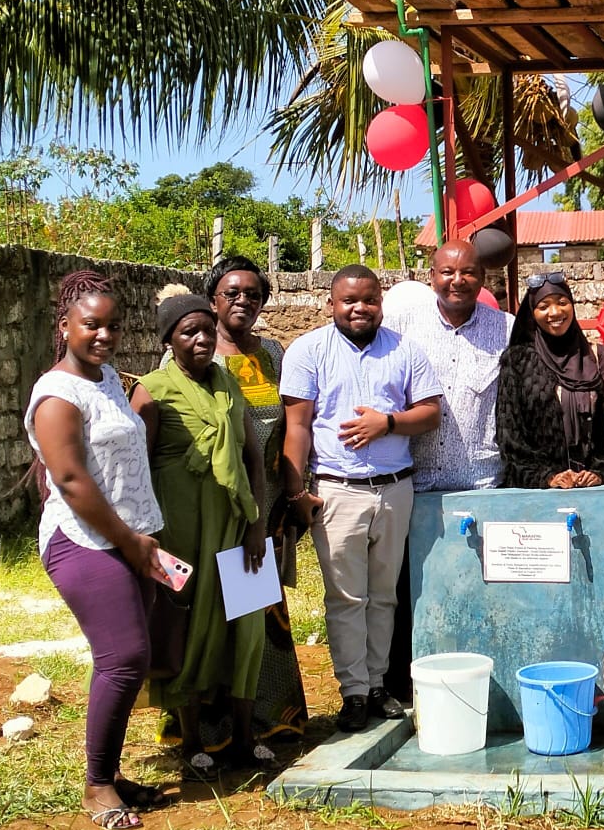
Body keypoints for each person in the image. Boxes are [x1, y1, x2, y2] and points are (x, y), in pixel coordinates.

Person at [24, 270, 167, 830]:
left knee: (129, 661)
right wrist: (130, 542)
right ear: (65, 327)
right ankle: (98, 785)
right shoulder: (57, 395)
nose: (103, 334)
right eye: (91, 325)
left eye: (111, 325)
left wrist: (144, 537)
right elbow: (73, 479)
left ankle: (110, 770)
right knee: (124, 657)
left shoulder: (108, 379)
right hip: (84, 539)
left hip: (132, 537)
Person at [280, 264, 443, 733]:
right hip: (337, 492)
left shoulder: (405, 350)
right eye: (349, 300)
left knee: (384, 596)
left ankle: (376, 685)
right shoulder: (308, 351)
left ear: (380, 303)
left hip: (394, 488)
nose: (359, 308)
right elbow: (297, 425)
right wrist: (297, 492)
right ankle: (352, 691)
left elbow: (430, 412)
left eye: (369, 300)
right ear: (331, 303)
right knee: (346, 597)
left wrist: (387, 423)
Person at [131, 290, 269, 778]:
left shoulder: (228, 383)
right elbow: (138, 468)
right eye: (189, 332)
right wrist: (148, 539)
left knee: (247, 628)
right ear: (169, 339)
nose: (202, 339)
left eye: (207, 330)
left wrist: (257, 524)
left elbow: (252, 456)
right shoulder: (150, 390)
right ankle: (192, 743)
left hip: (238, 525)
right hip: (182, 530)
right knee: (189, 630)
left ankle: (246, 738)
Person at [383, 239, 514, 700]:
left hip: (484, 484)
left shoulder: (508, 329)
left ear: (483, 278)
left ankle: (485, 691)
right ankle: (401, 687)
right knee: (407, 593)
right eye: (447, 272)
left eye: (468, 273)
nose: (457, 281)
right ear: (431, 274)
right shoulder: (401, 328)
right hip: (414, 486)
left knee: (483, 595)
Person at [203, 257, 308, 741]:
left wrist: (292, 492)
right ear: (212, 301)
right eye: (232, 293)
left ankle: (269, 720)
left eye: (253, 294)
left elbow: (292, 424)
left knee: (261, 609)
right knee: (215, 610)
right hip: (216, 503)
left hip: (265, 503)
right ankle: (212, 728)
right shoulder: (194, 351)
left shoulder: (273, 353)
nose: (243, 301)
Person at [496, 271, 604, 488]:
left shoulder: (600, 358)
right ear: (532, 313)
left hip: (598, 491)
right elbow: (510, 438)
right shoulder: (518, 362)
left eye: (562, 302)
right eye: (544, 306)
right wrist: (548, 477)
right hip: (540, 496)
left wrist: (600, 473)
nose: (555, 312)